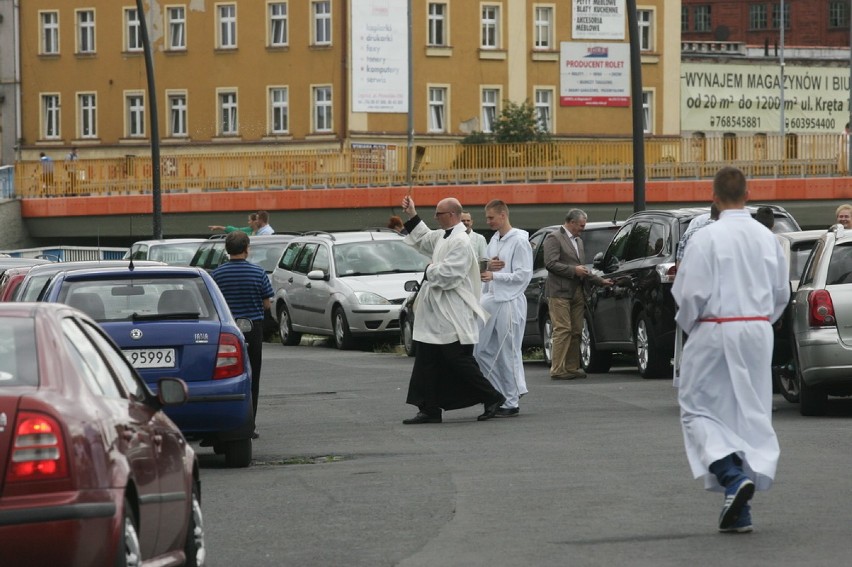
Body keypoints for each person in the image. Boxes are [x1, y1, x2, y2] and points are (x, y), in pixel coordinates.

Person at [672, 166, 789, 534]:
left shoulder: (707, 237)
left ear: (714, 198)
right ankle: (740, 509)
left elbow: (690, 294)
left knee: (696, 408)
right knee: (747, 412)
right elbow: (780, 292)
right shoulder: (766, 236)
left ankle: (730, 474)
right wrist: (759, 323)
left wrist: (692, 327)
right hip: (757, 328)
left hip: (716, 327)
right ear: (748, 196)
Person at [399, 195, 506, 424]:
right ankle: (429, 408)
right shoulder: (444, 236)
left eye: (438, 214)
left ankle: (492, 396)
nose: (435, 218)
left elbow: (450, 275)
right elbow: (424, 238)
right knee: (427, 358)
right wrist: (412, 214)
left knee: (456, 358)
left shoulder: (461, 241)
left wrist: (429, 270)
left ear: (451, 215)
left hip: (451, 310)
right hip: (436, 312)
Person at [211, 231, 274, 439]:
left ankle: (225, 420)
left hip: (227, 331)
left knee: (228, 375)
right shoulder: (258, 272)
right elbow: (267, 304)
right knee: (252, 376)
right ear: (247, 248)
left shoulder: (217, 274)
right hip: (252, 328)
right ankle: (250, 424)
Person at [474, 200, 532, 417]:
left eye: (491, 217)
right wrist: (489, 266)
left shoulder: (519, 241)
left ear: (503, 215)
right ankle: (499, 393)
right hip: (491, 298)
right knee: (481, 350)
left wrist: (494, 275)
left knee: (507, 350)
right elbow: (488, 268)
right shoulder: (495, 240)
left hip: (509, 301)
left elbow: (523, 275)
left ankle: (511, 399)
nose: (488, 221)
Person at [543, 209, 613, 380]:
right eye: (581, 225)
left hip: (577, 291)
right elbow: (550, 264)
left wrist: (599, 280)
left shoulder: (579, 241)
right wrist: (573, 270)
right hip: (559, 291)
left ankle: (572, 367)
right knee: (562, 329)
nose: (582, 229)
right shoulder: (554, 237)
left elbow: (582, 269)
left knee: (576, 330)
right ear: (571, 222)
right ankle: (557, 369)